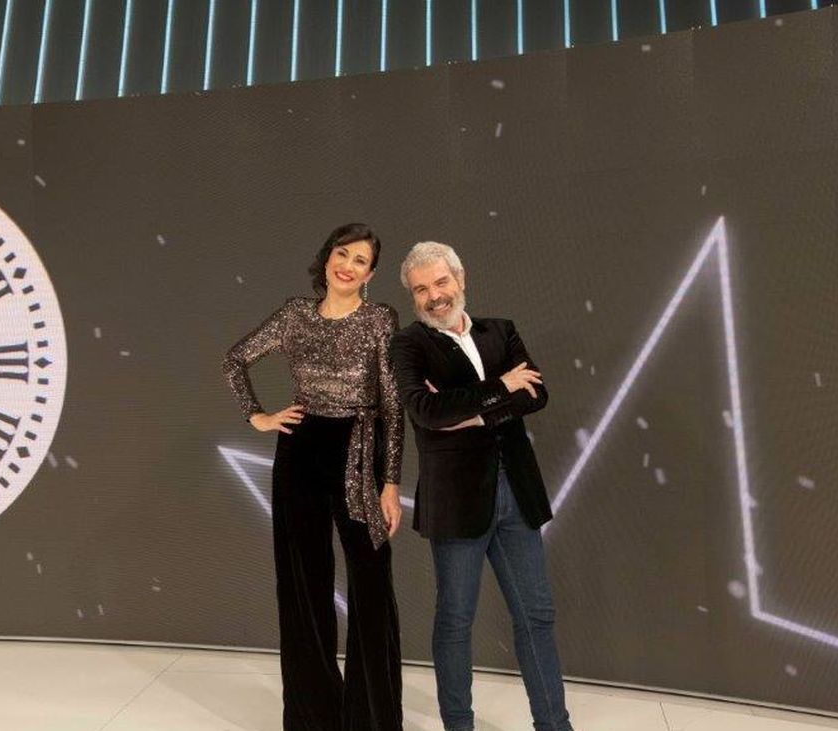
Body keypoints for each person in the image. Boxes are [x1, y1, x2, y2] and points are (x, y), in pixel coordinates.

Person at [222, 223, 405, 731]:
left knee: (370, 585)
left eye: (360, 261)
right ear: (326, 258)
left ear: (371, 274)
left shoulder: (379, 319)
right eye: (341, 254)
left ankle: (371, 720)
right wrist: (257, 416)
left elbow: (393, 406)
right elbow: (235, 360)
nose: (347, 266)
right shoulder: (294, 315)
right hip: (300, 453)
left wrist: (390, 483)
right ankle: (313, 718)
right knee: (304, 584)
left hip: (358, 452)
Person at [389, 241, 574, 731]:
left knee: (537, 615)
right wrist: (500, 387)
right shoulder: (408, 344)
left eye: (441, 282)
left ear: (461, 278)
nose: (434, 296)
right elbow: (427, 412)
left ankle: (554, 725)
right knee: (455, 622)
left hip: (517, 493)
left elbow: (536, 395)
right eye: (421, 289)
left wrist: (470, 412)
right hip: (456, 501)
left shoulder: (501, 330)